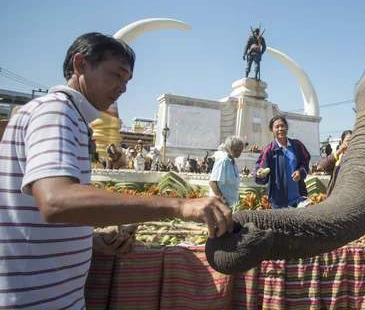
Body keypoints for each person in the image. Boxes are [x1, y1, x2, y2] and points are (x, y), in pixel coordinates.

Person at [0, 33, 233, 309]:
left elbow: (42, 213)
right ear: (81, 65)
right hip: (31, 299)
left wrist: (90, 241)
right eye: (116, 75)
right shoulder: (55, 112)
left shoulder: (72, 117)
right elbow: (55, 200)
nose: (122, 87)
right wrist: (179, 205)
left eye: (127, 80)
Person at [255, 116, 311, 209]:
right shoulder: (269, 150)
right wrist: (260, 173)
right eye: (277, 127)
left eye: (283, 126)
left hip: (299, 200)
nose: (280, 129)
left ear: (287, 128)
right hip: (278, 202)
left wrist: (300, 172)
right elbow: (260, 167)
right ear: (271, 130)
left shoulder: (297, 145)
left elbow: (306, 160)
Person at [209, 136, 245, 207]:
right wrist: (223, 201)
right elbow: (213, 183)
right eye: (235, 150)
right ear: (228, 148)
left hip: (232, 204)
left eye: (240, 150)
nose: (238, 153)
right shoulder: (223, 160)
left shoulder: (234, 161)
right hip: (220, 205)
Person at [318, 130, 352, 197]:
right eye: (348, 141)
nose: (350, 144)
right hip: (335, 195)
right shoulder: (337, 157)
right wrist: (339, 151)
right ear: (341, 143)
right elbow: (322, 166)